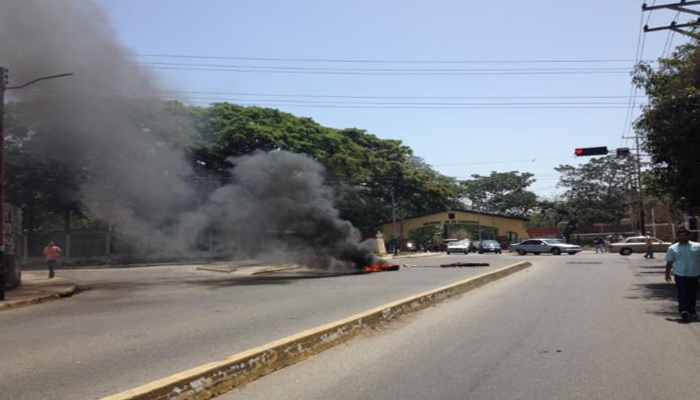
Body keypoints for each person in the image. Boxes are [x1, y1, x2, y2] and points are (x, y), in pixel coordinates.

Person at [664, 227, 700, 322]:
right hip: (681, 275)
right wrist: (667, 273)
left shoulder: (697, 246)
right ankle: (683, 311)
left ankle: (692, 311)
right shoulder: (672, 248)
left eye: (685, 235)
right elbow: (669, 262)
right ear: (678, 237)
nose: (683, 237)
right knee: (683, 293)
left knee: (692, 294)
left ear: (688, 236)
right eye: (681, 236)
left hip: (695, 274)